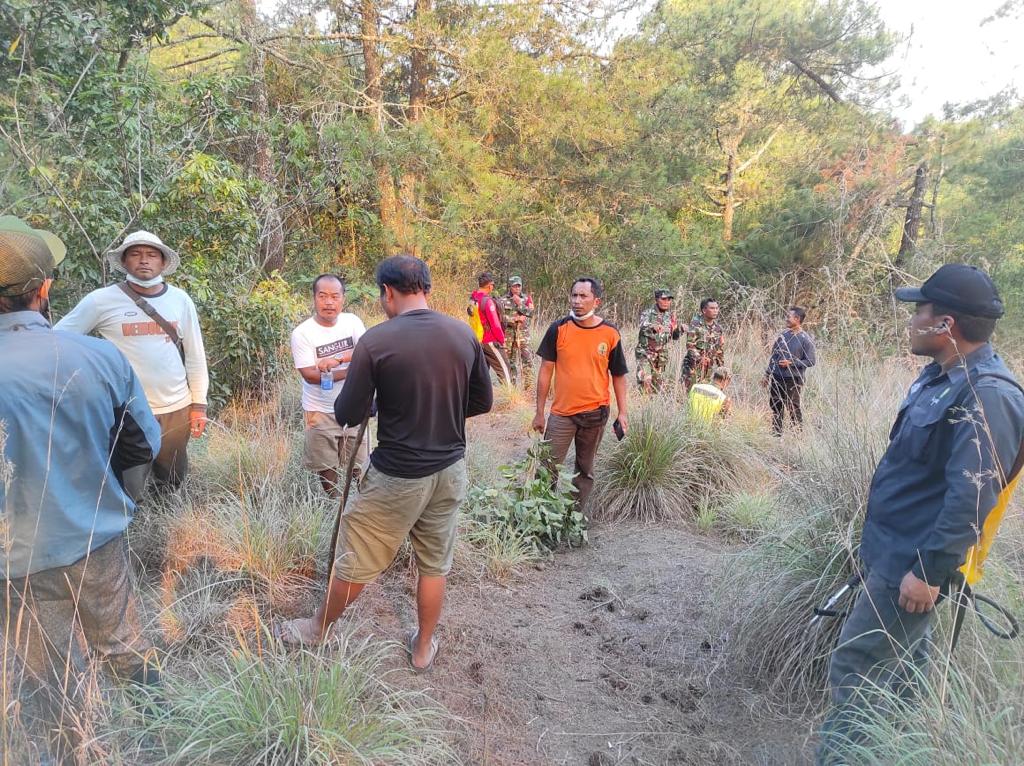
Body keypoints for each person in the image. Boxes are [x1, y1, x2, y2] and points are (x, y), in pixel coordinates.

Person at [816, 264, 1024, 764]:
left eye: (919, 310)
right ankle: (900, 752)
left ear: (945, 324)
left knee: (858, 669)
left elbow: (972, 497)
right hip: (894, 556)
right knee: (903, 674)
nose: (912, 320)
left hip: (913, 567)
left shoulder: (988, 395)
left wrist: (928, 572)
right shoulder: (942, 377)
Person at [277, 255, 493, 672]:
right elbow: (483, 401)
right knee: (434, 563)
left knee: (358, 554)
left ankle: (318, 629)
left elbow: (347, 412)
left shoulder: (376, 341)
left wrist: (385, 404)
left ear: (387, 292)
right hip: (450, 469)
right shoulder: (462, 333)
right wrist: (438, 409)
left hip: (397, 474)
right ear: (426, 289)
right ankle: (423, 647)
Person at [0, 217, 163, 760]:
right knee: (123, 645)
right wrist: (115, 503)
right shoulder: (99, 357)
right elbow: (142, 445)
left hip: (13, 561)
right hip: (96, 539)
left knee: (41, 672)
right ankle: (162, 732)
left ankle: (65, 750)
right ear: (43, 289)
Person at [56, 230, 209, 497]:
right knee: (129, 484)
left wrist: (198, 404)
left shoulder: (180, 300)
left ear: (163, 262)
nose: (144, 260)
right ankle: (132, 521)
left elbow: (195, 355)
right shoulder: (101, 300)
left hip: (176, 406)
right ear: (124, 262)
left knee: (171, 480)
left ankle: (168, 519)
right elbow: (58, 339)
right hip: (128, 410)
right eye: (136, 254)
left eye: (152, 255)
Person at [532, 276, 629, 517]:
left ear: (596, 301)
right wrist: (539, 412)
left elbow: (618, 375)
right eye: (574, 295)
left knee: (585, 470)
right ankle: (541, 518)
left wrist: (623, 412)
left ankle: (572, 519)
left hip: (595, 413)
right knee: (546, 468)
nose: (577, 301)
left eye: (583, 296)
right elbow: (545, 371)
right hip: (562, 414)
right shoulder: (558, 329)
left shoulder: (610, 333)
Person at [290, 274, 368, 496]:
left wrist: (338, 360)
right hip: (320, 410)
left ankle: (359, 501)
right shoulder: (302, 333)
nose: (329, 302)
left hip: (353, 404)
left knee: (359, 462)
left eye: (335, 296)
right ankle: (334, 502)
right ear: (314, 298)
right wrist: (352, 371)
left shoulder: (352, 322)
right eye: (322, 296)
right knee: (325, 463)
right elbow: (310, 375)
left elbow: (366, 351)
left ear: (343, 298)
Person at [763, 306, 816, 436]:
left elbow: (810, 361)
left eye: (789, 317)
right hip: (777, 377)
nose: (786, 319)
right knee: (776, 405)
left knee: (793, 407)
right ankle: (776, 434)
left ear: (797, 319)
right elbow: (774, 356)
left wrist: (791, 363)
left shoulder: (805, 339)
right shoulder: (783, 335)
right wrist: (767, 374)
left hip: (793, 380)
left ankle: (797, 436)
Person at [635, 288, 681, 393]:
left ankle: (653, 402)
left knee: (658, 388)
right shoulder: (648, 313)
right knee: (646, 381)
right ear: (656, 299)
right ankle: (643, 401)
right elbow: (642, 324)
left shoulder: (670, 316)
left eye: (669, 299)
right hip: (645, 354)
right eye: (663, 299)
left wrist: (679, 329)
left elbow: (675, 336)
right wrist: (652, 326)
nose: (666, 302)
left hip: (661, 357)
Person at [469, 271, 511, 385]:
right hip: (490, 340)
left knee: (481, 374)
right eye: (493, 285)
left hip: (476, 340)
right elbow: (495, 325)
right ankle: (510, 394)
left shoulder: (472, 299)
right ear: (489, 286)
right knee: (505, 369)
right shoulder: (487, 302)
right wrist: (501, 340)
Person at [497, 275, 535, 390]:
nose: (517, 288)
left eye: (519, 286)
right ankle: (511, 389)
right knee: (509, 361)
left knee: (527, 359)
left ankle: (528, 387)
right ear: (510, 286)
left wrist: (520, 304)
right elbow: (500, 317)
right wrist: (514, 319)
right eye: (515, 286)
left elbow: (531, 313)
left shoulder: (526, 299)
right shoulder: (502, 300)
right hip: (508, 335)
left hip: (523, 334)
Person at [683, 297, 725, 391]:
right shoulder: (695, 325)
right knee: (692, 393)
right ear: (704, 310)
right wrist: (700, 358)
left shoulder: (718, 328)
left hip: (708, 368)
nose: (715, 311)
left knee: (705, 393)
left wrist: (721, 366)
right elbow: (690, 346)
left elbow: (719, 350)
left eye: (716, 308)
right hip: (693, 367)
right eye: (712, 308)